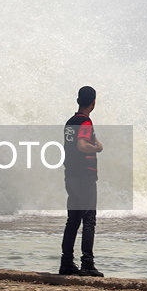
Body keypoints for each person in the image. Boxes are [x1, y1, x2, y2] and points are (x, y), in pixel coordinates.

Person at [59, 85, 104, 276]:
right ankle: (87, 263)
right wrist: (98, 148)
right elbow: (83, 146)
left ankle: (66, 262)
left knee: (73, 220)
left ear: (78, 100)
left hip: (70, 176)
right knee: (89, 220)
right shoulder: (86, 122)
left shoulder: (70, 122)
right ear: (93, 103)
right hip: (84, 177)